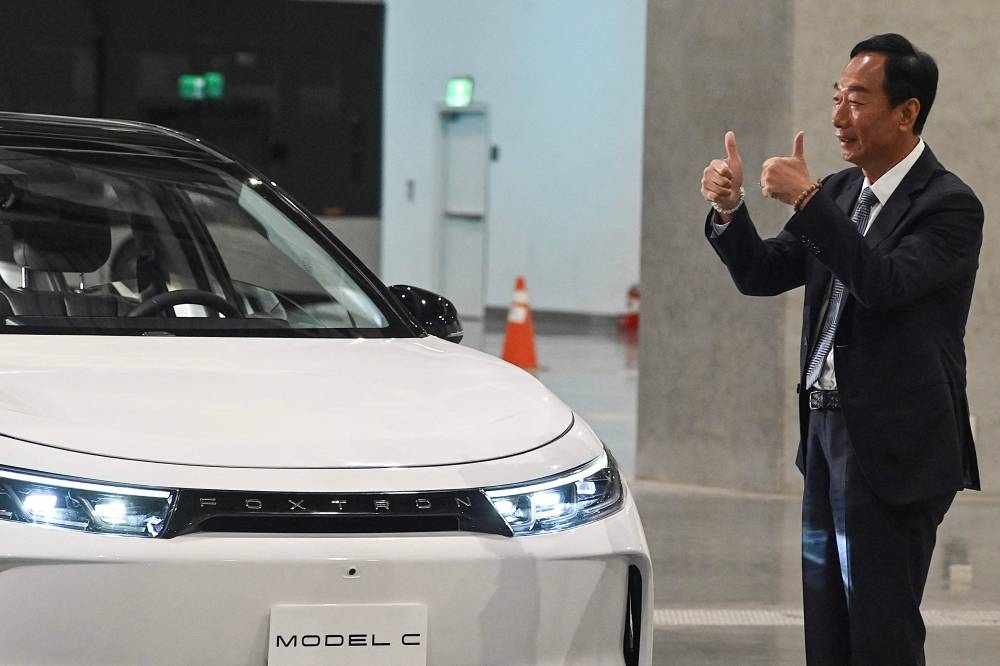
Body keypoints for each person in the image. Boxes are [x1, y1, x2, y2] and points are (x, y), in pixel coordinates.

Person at [699, 33, 982, 665]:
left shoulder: (949, 205)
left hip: (894, 447)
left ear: (906, 112)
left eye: (857, 100)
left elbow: (882, 284)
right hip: (826, 434)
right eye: (836, 98)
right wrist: (731, 210)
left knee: (880, 631)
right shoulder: (842, 193)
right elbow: (764, 272)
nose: (838, 117)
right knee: (826, 626)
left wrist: (807, 200)